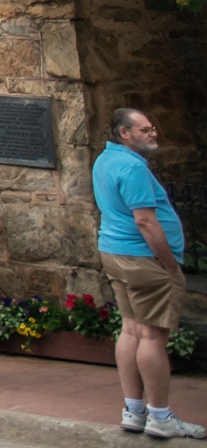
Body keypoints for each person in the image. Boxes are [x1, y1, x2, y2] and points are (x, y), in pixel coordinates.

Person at [95, 108, 200, 439]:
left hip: (115, 252)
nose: (153, 133)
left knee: (130, 330)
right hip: (144, 259)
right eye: (145, 129)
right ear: (124, 133)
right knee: (153, 336)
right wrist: (169, 264)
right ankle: (160, 416)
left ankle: (134, 410)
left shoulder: (105, 160)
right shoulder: (131, 167)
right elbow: (145, 220)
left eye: (152, 128)